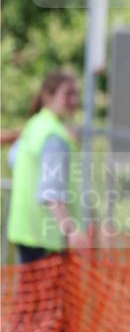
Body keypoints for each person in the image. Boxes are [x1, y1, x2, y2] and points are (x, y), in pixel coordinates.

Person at [7, 70, 88, 261]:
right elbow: (52, 192)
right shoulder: (54, 135)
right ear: (48, 96)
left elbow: (13, 159)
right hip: (46, 237)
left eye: (75, 94)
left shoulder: (35, 124)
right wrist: (72, 231)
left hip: (24, 229)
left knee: (28, 291)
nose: (74, 100)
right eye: (68, 94)